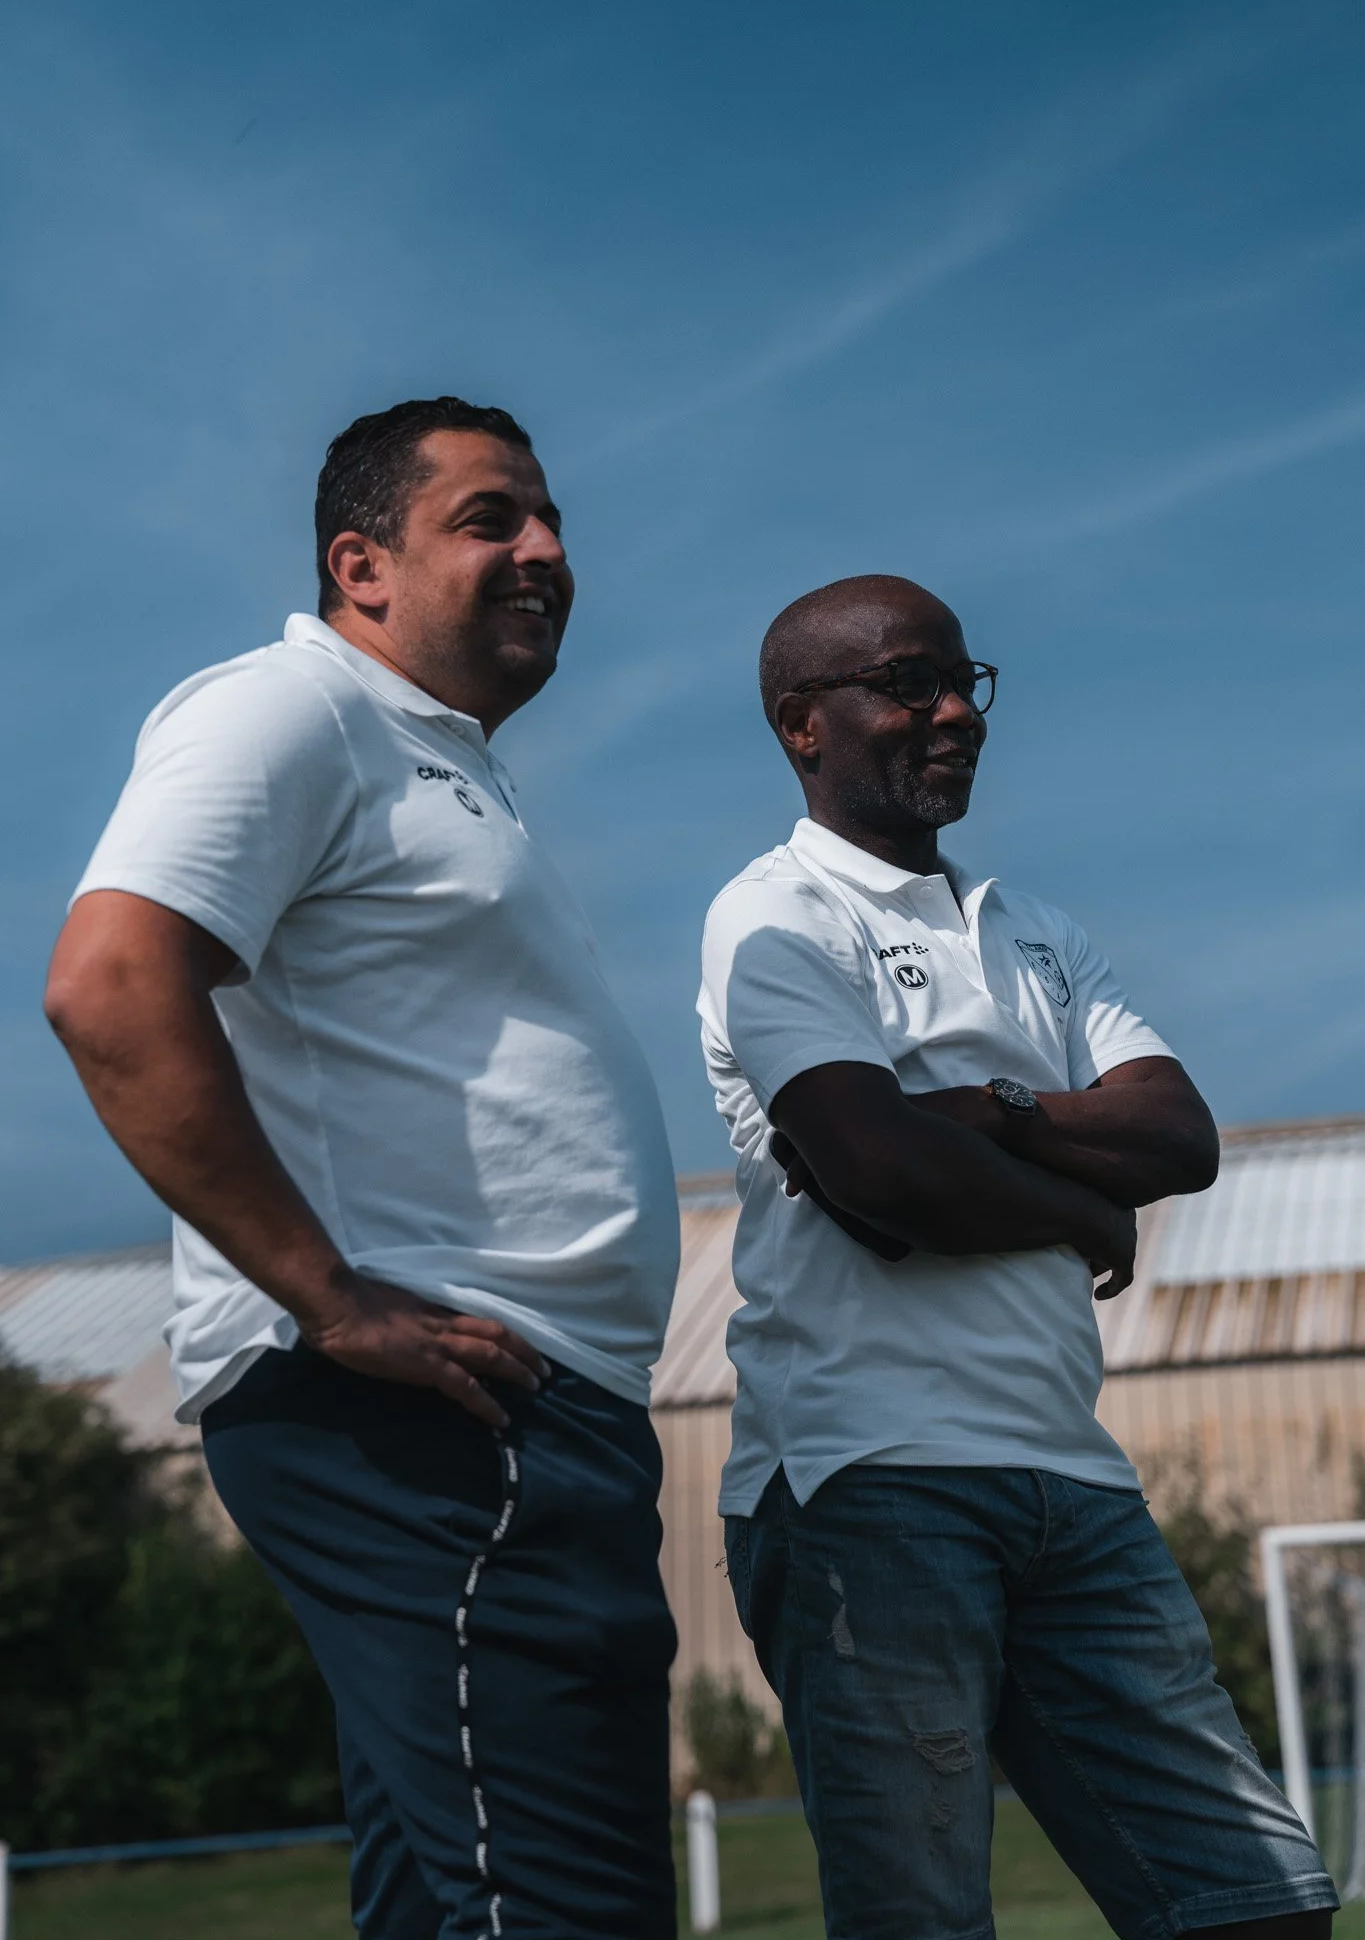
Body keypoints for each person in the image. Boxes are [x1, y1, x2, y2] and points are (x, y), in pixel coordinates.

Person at [46, 396, 681, 1940]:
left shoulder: (439, 762)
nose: (545, 550)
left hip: (514, 1417)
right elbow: (111, 983)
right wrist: (331, 1301)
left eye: (549, 521)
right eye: (490, 520)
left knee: (448, 1906)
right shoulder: (292, 708)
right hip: (434, 1417)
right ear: (363, 564)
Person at [697, 573, 1337, 1940]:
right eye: (910, 682)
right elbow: (874, 1175)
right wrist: (1086, 1211)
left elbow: (1178, 1134)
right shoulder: (773, 920)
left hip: (1071, 1478)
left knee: (1257, 1903)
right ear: (803, 723)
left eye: (965, 681)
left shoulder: (1040, 929)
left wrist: (984, 1111)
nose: (952, 712)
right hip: (867, 1482)